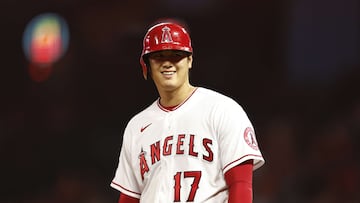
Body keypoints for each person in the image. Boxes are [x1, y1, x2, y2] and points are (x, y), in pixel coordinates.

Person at [110, 18, 265, 203]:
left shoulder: (222, 110)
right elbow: (129, 198)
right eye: (159, 56)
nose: (167, 63)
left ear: (190, 60)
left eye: (176, 55)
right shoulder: (137, 126)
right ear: (146, 65)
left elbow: (240, 183)